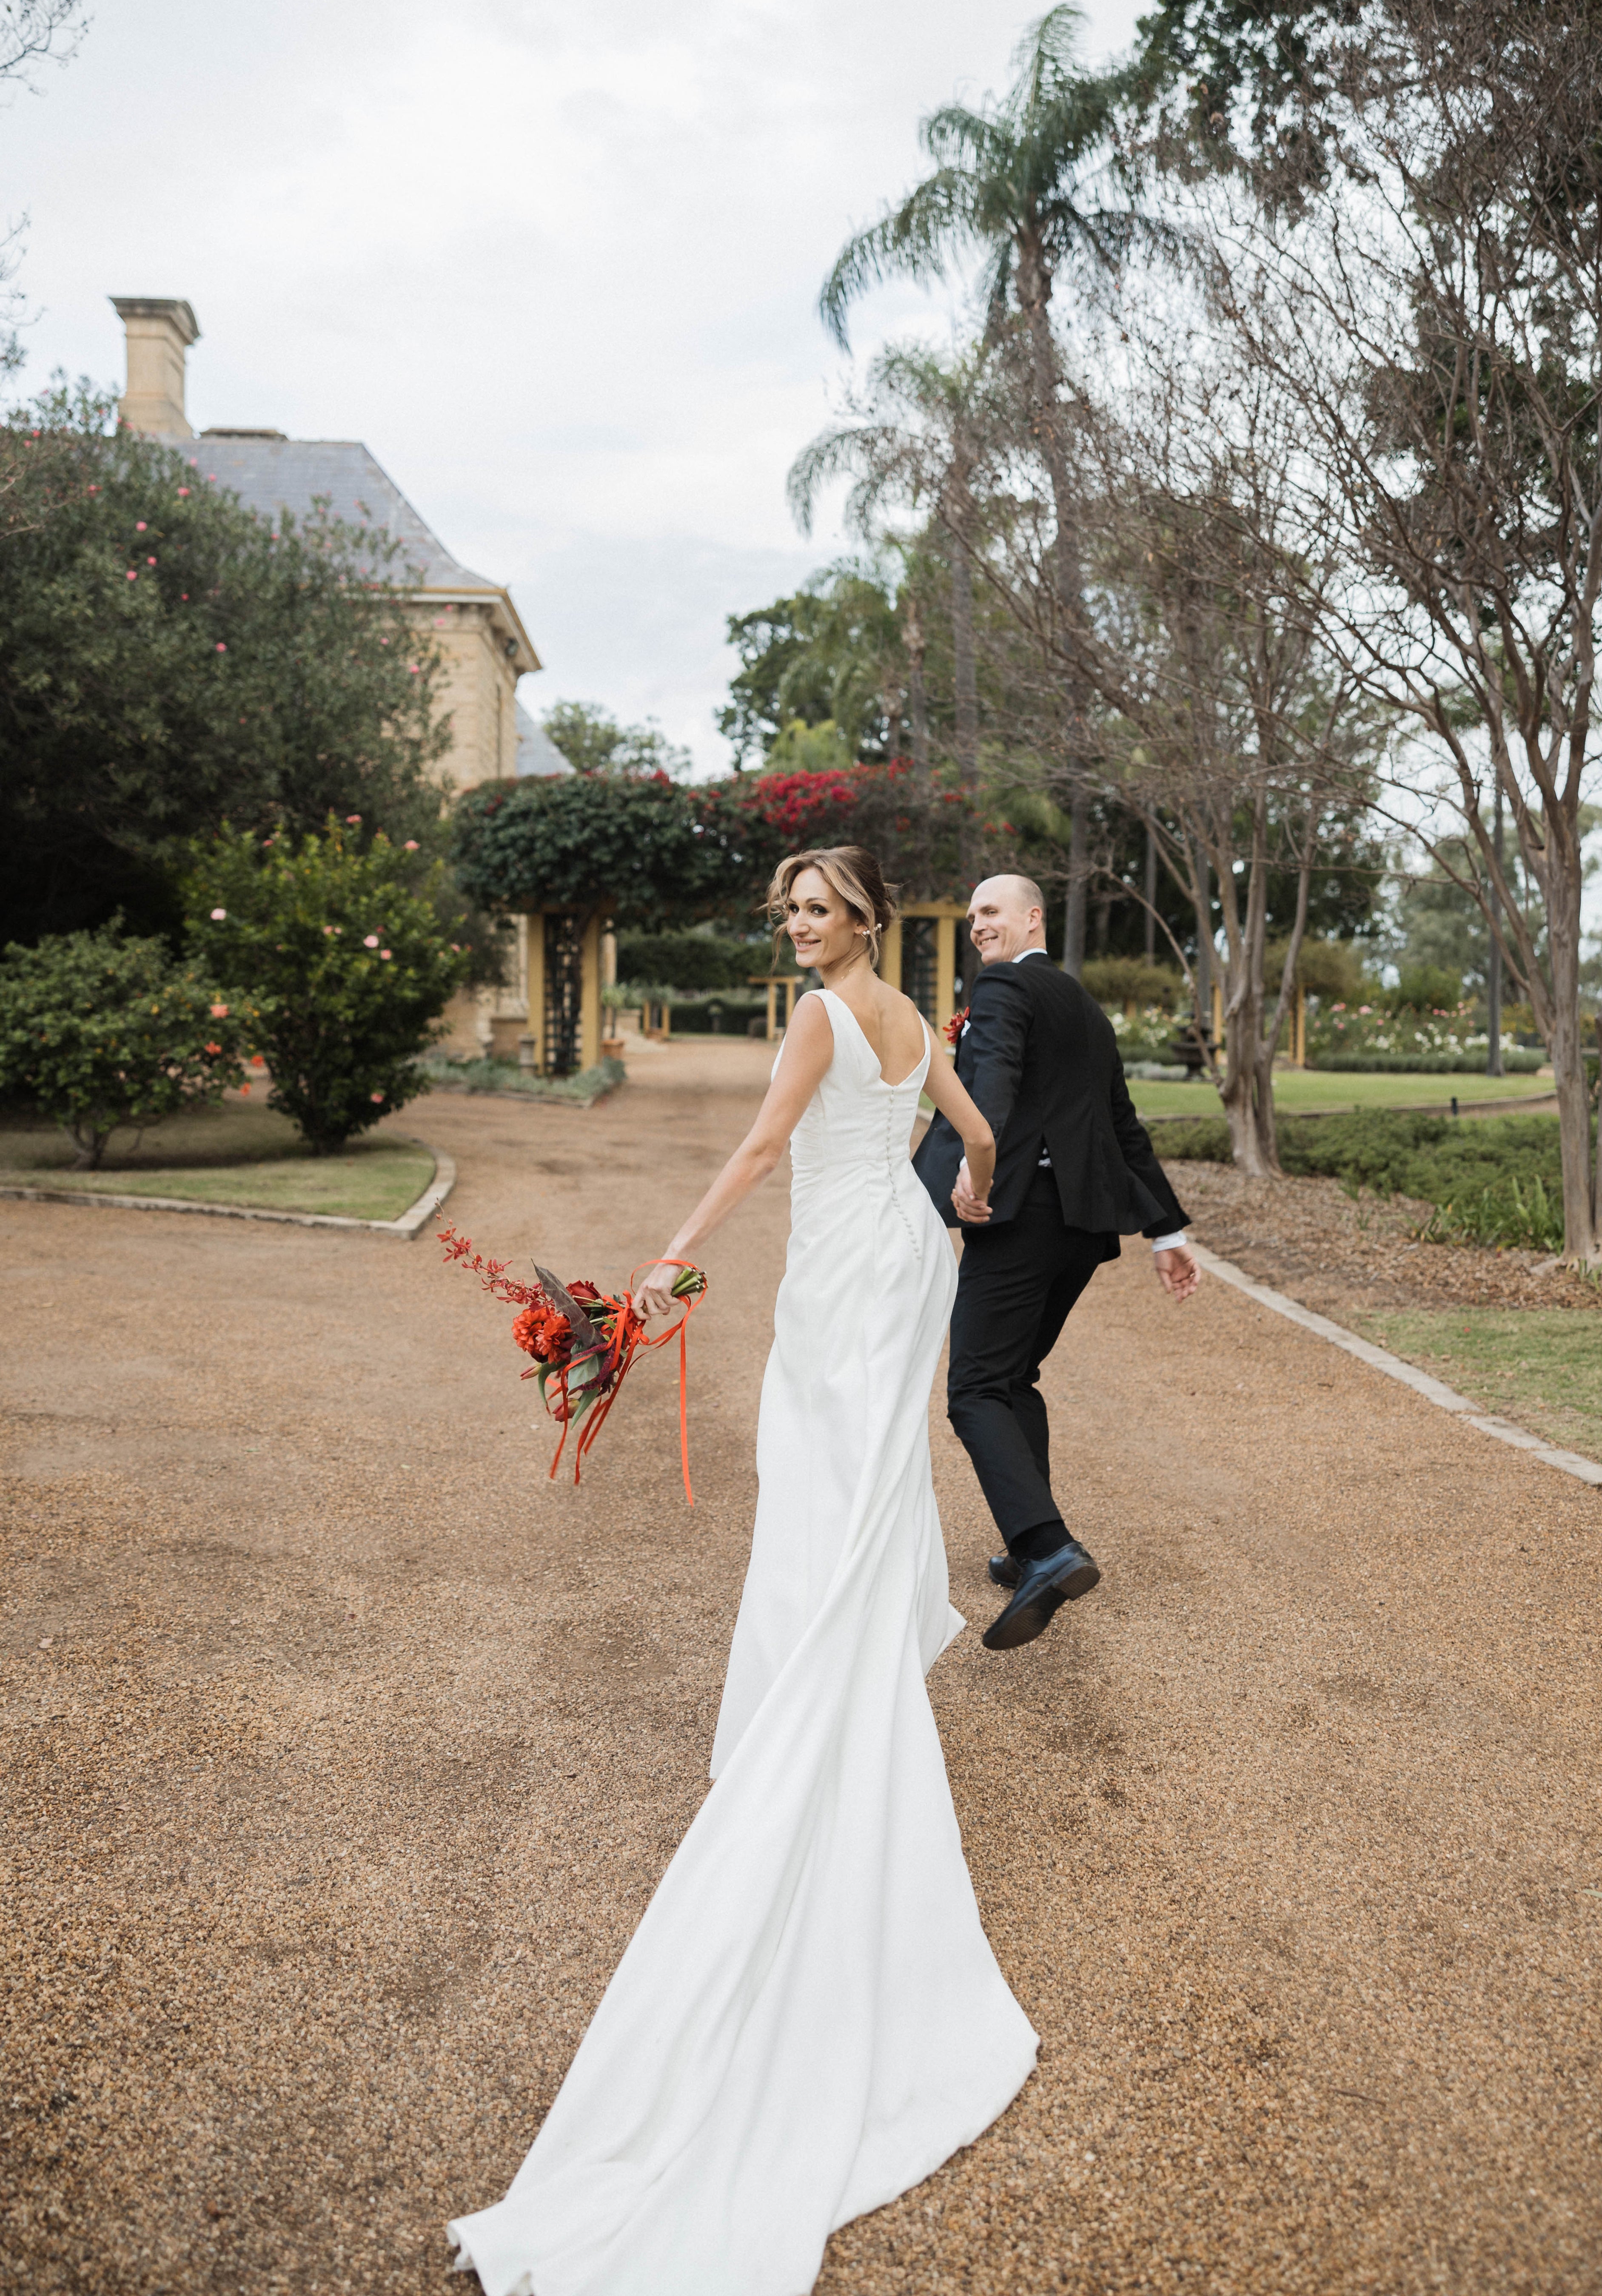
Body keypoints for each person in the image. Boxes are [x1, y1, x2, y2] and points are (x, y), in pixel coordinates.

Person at [448, 845, 1038, 2296]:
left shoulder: (833, 1016)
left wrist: (664, 1259)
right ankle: (833, 1670)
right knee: (851, 1480)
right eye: (787, 913)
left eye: (816, 912)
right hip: (902, 1258)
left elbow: (763, 1149)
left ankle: (810, 1704)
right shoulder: (911, 1011)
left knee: (817, 1475)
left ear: (859, 921)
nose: (796, 930)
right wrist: (962, 1190)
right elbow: (972, 1128)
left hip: (848, 1271)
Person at [914, 873, 1200, 1653]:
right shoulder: (1085, 1007)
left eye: (991, 911)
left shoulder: (1004, 986)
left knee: (973, 1386)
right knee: (1014, 1380)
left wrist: (979, 1167)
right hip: (1079, 1229)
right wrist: (1166, 1233)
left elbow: (994, 1080)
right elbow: (1122, 1124)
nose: (978, 925)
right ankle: (1022, 1546)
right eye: (972, 914)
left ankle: (1047, 1547)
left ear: (1032, 917)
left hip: (1021, 1217)